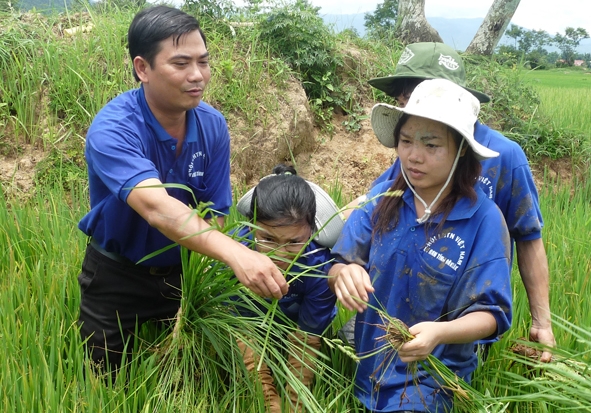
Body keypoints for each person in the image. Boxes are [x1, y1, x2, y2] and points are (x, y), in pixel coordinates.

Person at [77, 5, 288, 373]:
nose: (198, 76)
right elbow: (158, 208)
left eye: (203, 62)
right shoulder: (113, 129)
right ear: (142, 68)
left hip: (185, 273)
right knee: (103, 378)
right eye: (181, 63)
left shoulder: (212, 125)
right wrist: (237, 255)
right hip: (117, 274)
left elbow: (217, 213)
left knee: (193, 377)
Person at [343, 42, 555, 362]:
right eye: (403, 99)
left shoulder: (506, 157)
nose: (412, 106)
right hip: (401, 316)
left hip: (462, 323)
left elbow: (528, 237)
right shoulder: (418, 154)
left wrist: (542, 321)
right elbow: (382, 204)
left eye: (417, 94)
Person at [329, 78, 513, 412]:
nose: (414, 156)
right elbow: (340, 263)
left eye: (431, 145)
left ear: (460, 151)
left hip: (434, 383)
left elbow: (492, 314)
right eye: (406, 141)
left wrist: (439, 333)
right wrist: (344, 273)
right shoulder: (381, 199)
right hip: (370, 372)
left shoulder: (483, 219)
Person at [234, 164, 343, 412]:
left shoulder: (319, 268)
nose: (279, 254)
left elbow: (307, 340)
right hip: (253, 323)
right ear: (251, 228)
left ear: (311, 232)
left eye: (294, 242)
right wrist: (268, 398)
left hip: (297, 324)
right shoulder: (237, 253)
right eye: (268, 239)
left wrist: (294, 403)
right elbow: (240, 329)